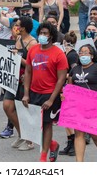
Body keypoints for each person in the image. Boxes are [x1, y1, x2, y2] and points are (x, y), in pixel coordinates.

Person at [22, 22, 68, 162]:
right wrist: (26, 93)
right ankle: (52, 144)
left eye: (45, 33)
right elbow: (28, 71)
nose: (42, 36)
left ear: (51, 36)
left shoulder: (59, 54)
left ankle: (43, 156)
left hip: (49, 94)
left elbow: (61, 80)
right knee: (35, 125)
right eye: (41, 33)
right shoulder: (33, 50)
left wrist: (51, 99)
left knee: (47, 124)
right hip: (34, 92)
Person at [68, 44, 97, 162]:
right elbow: (70, 86)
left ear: (92, 55)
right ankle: (79, 162)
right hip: (78, 106)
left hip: (95, 106)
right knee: (79, 133)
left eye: (86, 52)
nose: (83, 55)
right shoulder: (75, 69)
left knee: (94, 134)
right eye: (81, 53)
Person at [0, 17, 38, 150]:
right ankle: (22, 134)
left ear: (24, 28)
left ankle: (30, 141)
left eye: (18, 25)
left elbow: (32, 65)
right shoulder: (18, 40)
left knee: (23, 110)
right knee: (7, 106)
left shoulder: (33, 43)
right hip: (13, 77)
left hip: (25, 79)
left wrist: (18, 57)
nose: (15, 27)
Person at [58, 31, 79, 157]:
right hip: (64, 86)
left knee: (68, 116)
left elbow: (74, 71)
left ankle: (73, 144)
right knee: (64, 117)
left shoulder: (72, 55)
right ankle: (70, 142)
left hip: (70, 87)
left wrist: (63, 76)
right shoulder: (66, 54)